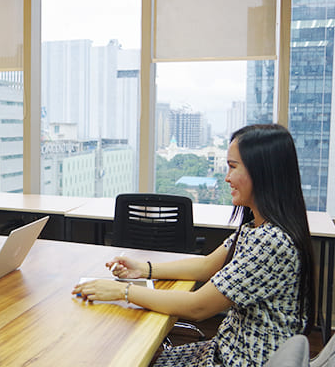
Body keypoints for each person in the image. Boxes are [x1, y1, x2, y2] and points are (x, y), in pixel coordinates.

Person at [72, 124, 315, 366]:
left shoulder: (271, 241)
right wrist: (144, 269)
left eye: (232, 167)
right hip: (228, 349)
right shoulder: (257, 227)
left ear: (263, 171)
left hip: (239, 360)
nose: (227, 177)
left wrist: (121, 292)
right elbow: (207, 265)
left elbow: (198, 307)